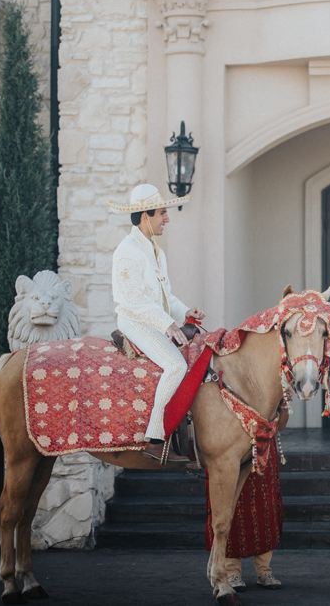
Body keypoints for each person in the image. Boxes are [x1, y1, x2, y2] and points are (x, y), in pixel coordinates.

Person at [109, 184, 206, 464]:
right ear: (145, 216)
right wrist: (167, 325)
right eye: (162, 213)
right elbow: (132, 300)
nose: (167, 218)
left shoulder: (156, 252)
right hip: (134, 322)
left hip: (154, 322)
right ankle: (153, 440)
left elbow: (166, 296)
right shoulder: (127, 251)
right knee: (176, 364)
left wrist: (185, 310)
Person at [219, 400, 289, 592]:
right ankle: (232, 572)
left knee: (265, 508)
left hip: (263, 451)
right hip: (231, 450)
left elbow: (281, 425)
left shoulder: (270, 388)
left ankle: (265, 571)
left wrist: (284, 402)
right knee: (231, 507)